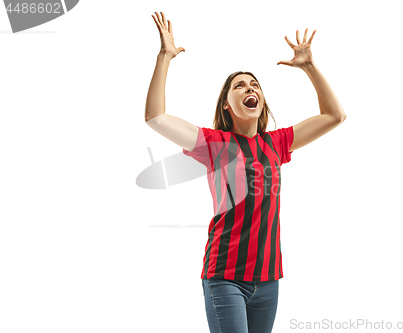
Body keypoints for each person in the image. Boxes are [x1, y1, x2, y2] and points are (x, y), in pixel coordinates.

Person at [145, 11, 347, 333]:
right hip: (225, 276)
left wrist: (309, 67)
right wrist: (164, 57)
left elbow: (335, 115)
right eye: (238, 86)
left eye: (254, 85)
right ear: (227, 104)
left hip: (268, 280)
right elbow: (155, 117)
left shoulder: (277, 143)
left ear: (261, 100)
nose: (248, 88)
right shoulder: (215, 143)